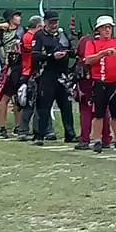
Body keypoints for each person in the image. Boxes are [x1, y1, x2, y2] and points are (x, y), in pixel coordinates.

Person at [80, 15, 116, 153]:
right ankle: (97, 140)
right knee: (99, 113)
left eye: (109, 27)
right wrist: (102, 54)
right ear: (98, 29)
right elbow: (88, 60)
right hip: (100, 82)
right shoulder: (92, 44)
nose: (107, 30)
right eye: (104, 27)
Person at [31, 9, 77, 145]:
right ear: (45, 22)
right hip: (47, 74)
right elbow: (35, 55)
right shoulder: (39, 36)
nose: (54, 25)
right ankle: (40, 135)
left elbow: (72, 51)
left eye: (56, 22)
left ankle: (70, 134)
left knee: (66, 106)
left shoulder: (63, 35)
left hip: (63, 75)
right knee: (44, 106)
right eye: (51, 22)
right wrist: (51, 56)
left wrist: (72, 51)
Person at [73, 26, 113, 151]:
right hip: (102, 78)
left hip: (89, 78)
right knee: (103, 108)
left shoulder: (86, 41)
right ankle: (105, 138)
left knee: (86, 108)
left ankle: (85, 139)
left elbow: (80, 56)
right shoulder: (108, 42)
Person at [0, 11, 25, 136]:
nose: (19, 18)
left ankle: (19, 126)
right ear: (10, 19)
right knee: (5, 97)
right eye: (16, 16)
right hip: (9, 66)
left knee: (19, 97)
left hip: (21, 66)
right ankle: (2, 127)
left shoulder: (23, 30)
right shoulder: (3, 31)